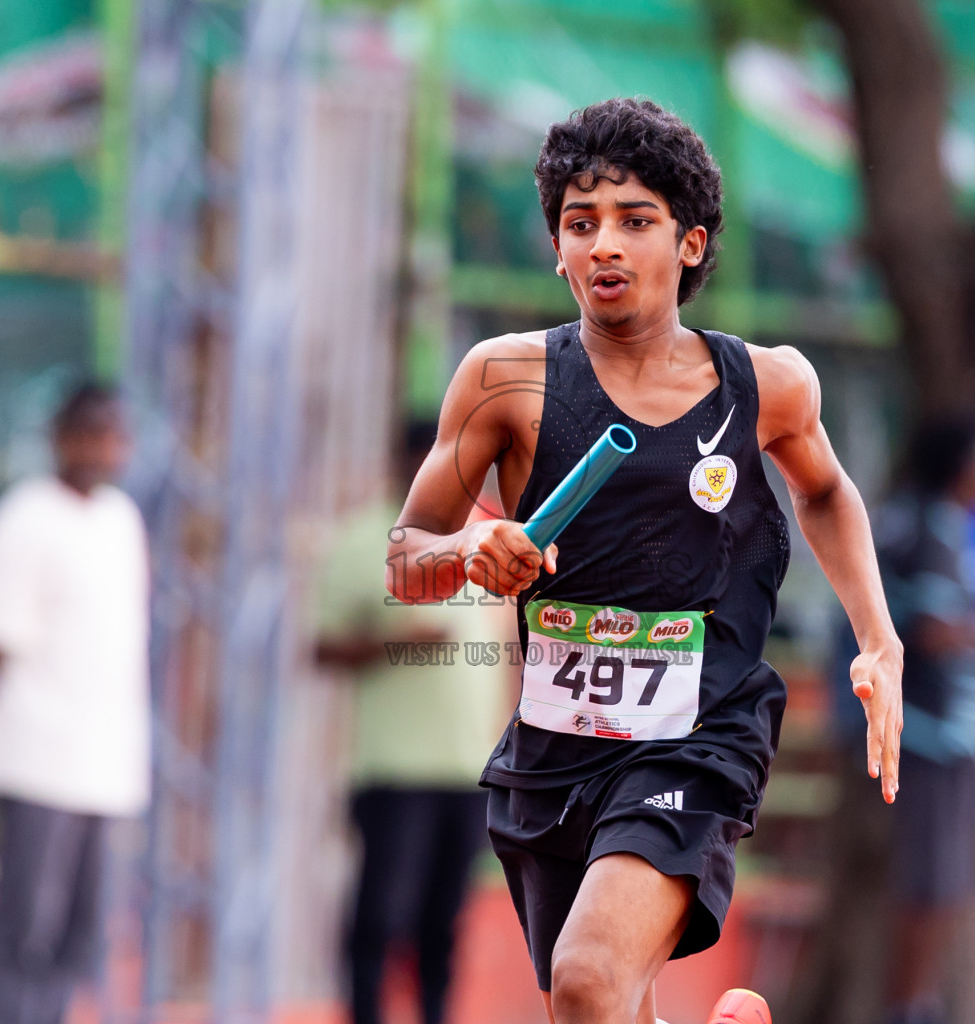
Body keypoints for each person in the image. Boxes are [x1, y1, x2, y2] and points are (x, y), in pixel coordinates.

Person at [385, 98, 903, 1024]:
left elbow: (823, 491)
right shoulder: (504, 381)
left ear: (691, 243)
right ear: (556, 250)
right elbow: (405, 560)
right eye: (579, 225)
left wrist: (878, 638)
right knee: (601, 1005)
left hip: (698, 733)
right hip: (553, 750)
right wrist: (471, 548)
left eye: (635, 221)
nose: (604, 247)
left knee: (587, 976)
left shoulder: (766, 387)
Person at [0, 383, 150, 1024]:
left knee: (81, 932)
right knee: (25, 929)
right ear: (59, 437)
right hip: (36, 761)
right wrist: (23, 725)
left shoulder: (122, 519)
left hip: (102, 767)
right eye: (90, 434)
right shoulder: (25, 517)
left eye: (114, 436)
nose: (103, 450)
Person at [317, 424, 511, 1024]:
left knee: (444, 921)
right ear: (401, 461)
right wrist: (395, 642)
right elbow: (321, 649)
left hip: (467, 771)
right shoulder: (361, 542)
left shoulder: (489, 542)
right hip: (393, 769)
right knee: (380, 915)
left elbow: (506, 657)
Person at [871, 415, 975, 1024]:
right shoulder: (927, 530)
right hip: (930, 736)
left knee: (948, 882)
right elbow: (930, 630)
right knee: (928, 883)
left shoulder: (952, 529)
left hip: (957, 739)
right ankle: (907, 1006)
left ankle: (919, 1001)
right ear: (961, 464)